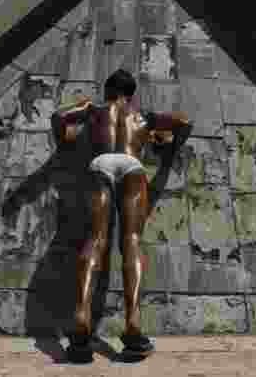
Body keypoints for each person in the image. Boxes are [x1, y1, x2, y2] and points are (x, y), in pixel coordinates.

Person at [50, 69, 192, 363]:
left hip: (100, 164)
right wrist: (169, 148)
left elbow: (59, 118)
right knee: (132, 241)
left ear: (108, 91)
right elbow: (184, 121)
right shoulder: (144, 116)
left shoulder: (95, 109)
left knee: (96, 239)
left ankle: (81, 318)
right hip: (132, 166)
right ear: (131, 94)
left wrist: (65, 141)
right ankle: (133, 323)